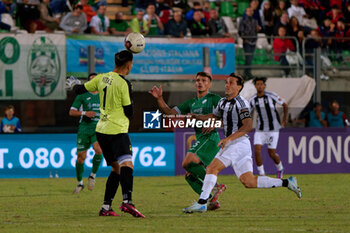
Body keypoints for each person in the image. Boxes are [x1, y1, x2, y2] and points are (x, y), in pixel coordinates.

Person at [182, 73, 302, 213]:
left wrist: (228, 139)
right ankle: (287, 182)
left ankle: (202, 203)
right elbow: (214, 117)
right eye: (226, 82)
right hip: (239, 145)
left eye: (231, 83)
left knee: (212, 168)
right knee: (249, 181)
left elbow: (247, 126)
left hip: (237, 143)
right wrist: (197, 116)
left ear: (239, 87)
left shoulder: (241, 103)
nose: (227, 85)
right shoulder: (223, 102)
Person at [66, 50, 145, 218]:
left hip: (101, 131)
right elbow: (129, 111)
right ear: (129, 65)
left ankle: (106, 207)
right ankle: (127, 202)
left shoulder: (100, 78)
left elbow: (79, 89)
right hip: (117, 130)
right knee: (127, 165)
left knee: (116, 169)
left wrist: (73, 83)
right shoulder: (124, 84)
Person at [149, 71, 226, 211]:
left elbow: (226, 114)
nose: (200, 82)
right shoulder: (191, 103)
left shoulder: (214, 98)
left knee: (187, 162)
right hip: (201, 138)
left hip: (211, 138)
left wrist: (215, 123)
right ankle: (208, 201)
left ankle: (216, 187)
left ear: (209, 84)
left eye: (203, 80)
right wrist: (159, 98)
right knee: (189, 175)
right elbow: (170, 113)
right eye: (197, 80)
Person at [69, 73, 103, 194]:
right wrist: (84, 113)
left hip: (98, 128)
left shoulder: (104, 95)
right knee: (81, 158)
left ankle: (92, 175)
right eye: (91, 81)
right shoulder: (82, 95)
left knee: (99, 150)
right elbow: (71, 112)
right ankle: (79, 183)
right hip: (84, 129)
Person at [249, 77, 288, 178]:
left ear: (264, 86)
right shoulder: (253, 100)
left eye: (261, 84)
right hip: (260, 129)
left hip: (273, 129)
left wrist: (284, 119)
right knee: (256, 150)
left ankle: (280, 169)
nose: (260, 86)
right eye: (258, 84)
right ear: (255, 86)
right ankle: (262, 174)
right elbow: (247, 112)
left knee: (271, 153)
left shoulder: (271, 96)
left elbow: (285, 105)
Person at [238, 7, 261, 79]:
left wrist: (258, 29)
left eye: (251, 11)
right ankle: (246, 73)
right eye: (249, 11)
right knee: (247, 58)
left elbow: (256, 31)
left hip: (253, 41)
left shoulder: (255, 21)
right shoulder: (243, 20)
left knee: (250, 58)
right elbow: (240, 31)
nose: (250, 12)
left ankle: (248, 72)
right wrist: (245, 38)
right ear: (246, 12)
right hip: (247, 41)